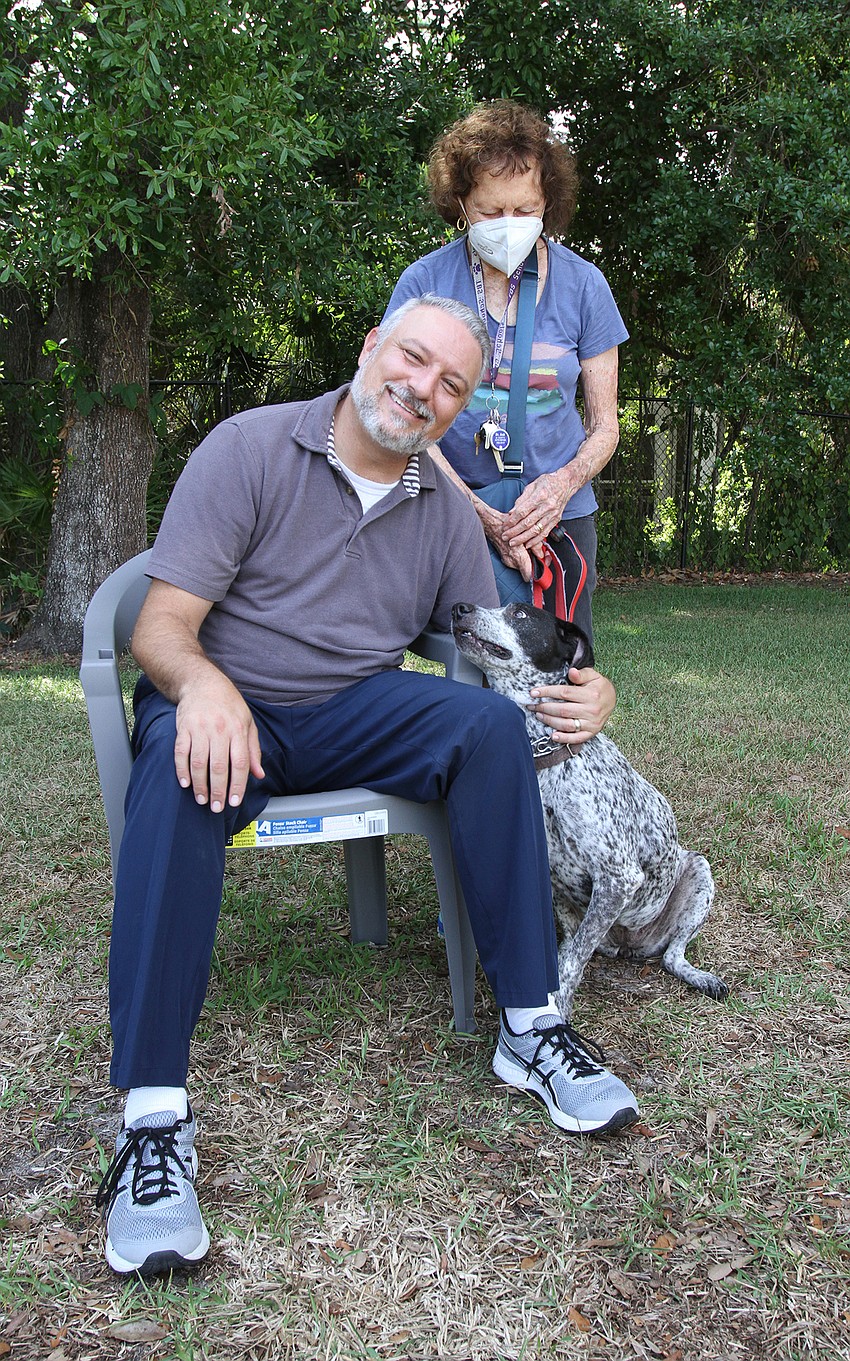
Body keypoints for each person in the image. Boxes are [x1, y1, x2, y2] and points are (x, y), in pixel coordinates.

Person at [93, 295, 638, 1279]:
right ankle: (152, 1121)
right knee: (175, 770)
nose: (420, 388)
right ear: (369, 348)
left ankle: (531, 1026)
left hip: (352, 709)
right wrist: (207, 684)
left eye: (448, 383)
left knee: (481, 724)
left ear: (460, 408)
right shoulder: (250, 448)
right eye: (411, 358)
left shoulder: (437, 507)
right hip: (229, 706)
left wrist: (583, 676)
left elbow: (487, 635)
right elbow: (161, 626)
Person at [384, 100, 629, 647]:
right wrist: (477, 513)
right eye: (492, 212)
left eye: (526, 210)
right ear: (461, 206)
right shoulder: (424, 282)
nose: (510, 226)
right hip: (445, 511)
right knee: (468, 664)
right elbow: (399, 416)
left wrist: (558, 489)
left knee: (561, 674)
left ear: (549, 203)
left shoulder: (585, 286)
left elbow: (605, 427)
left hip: (559, 521)